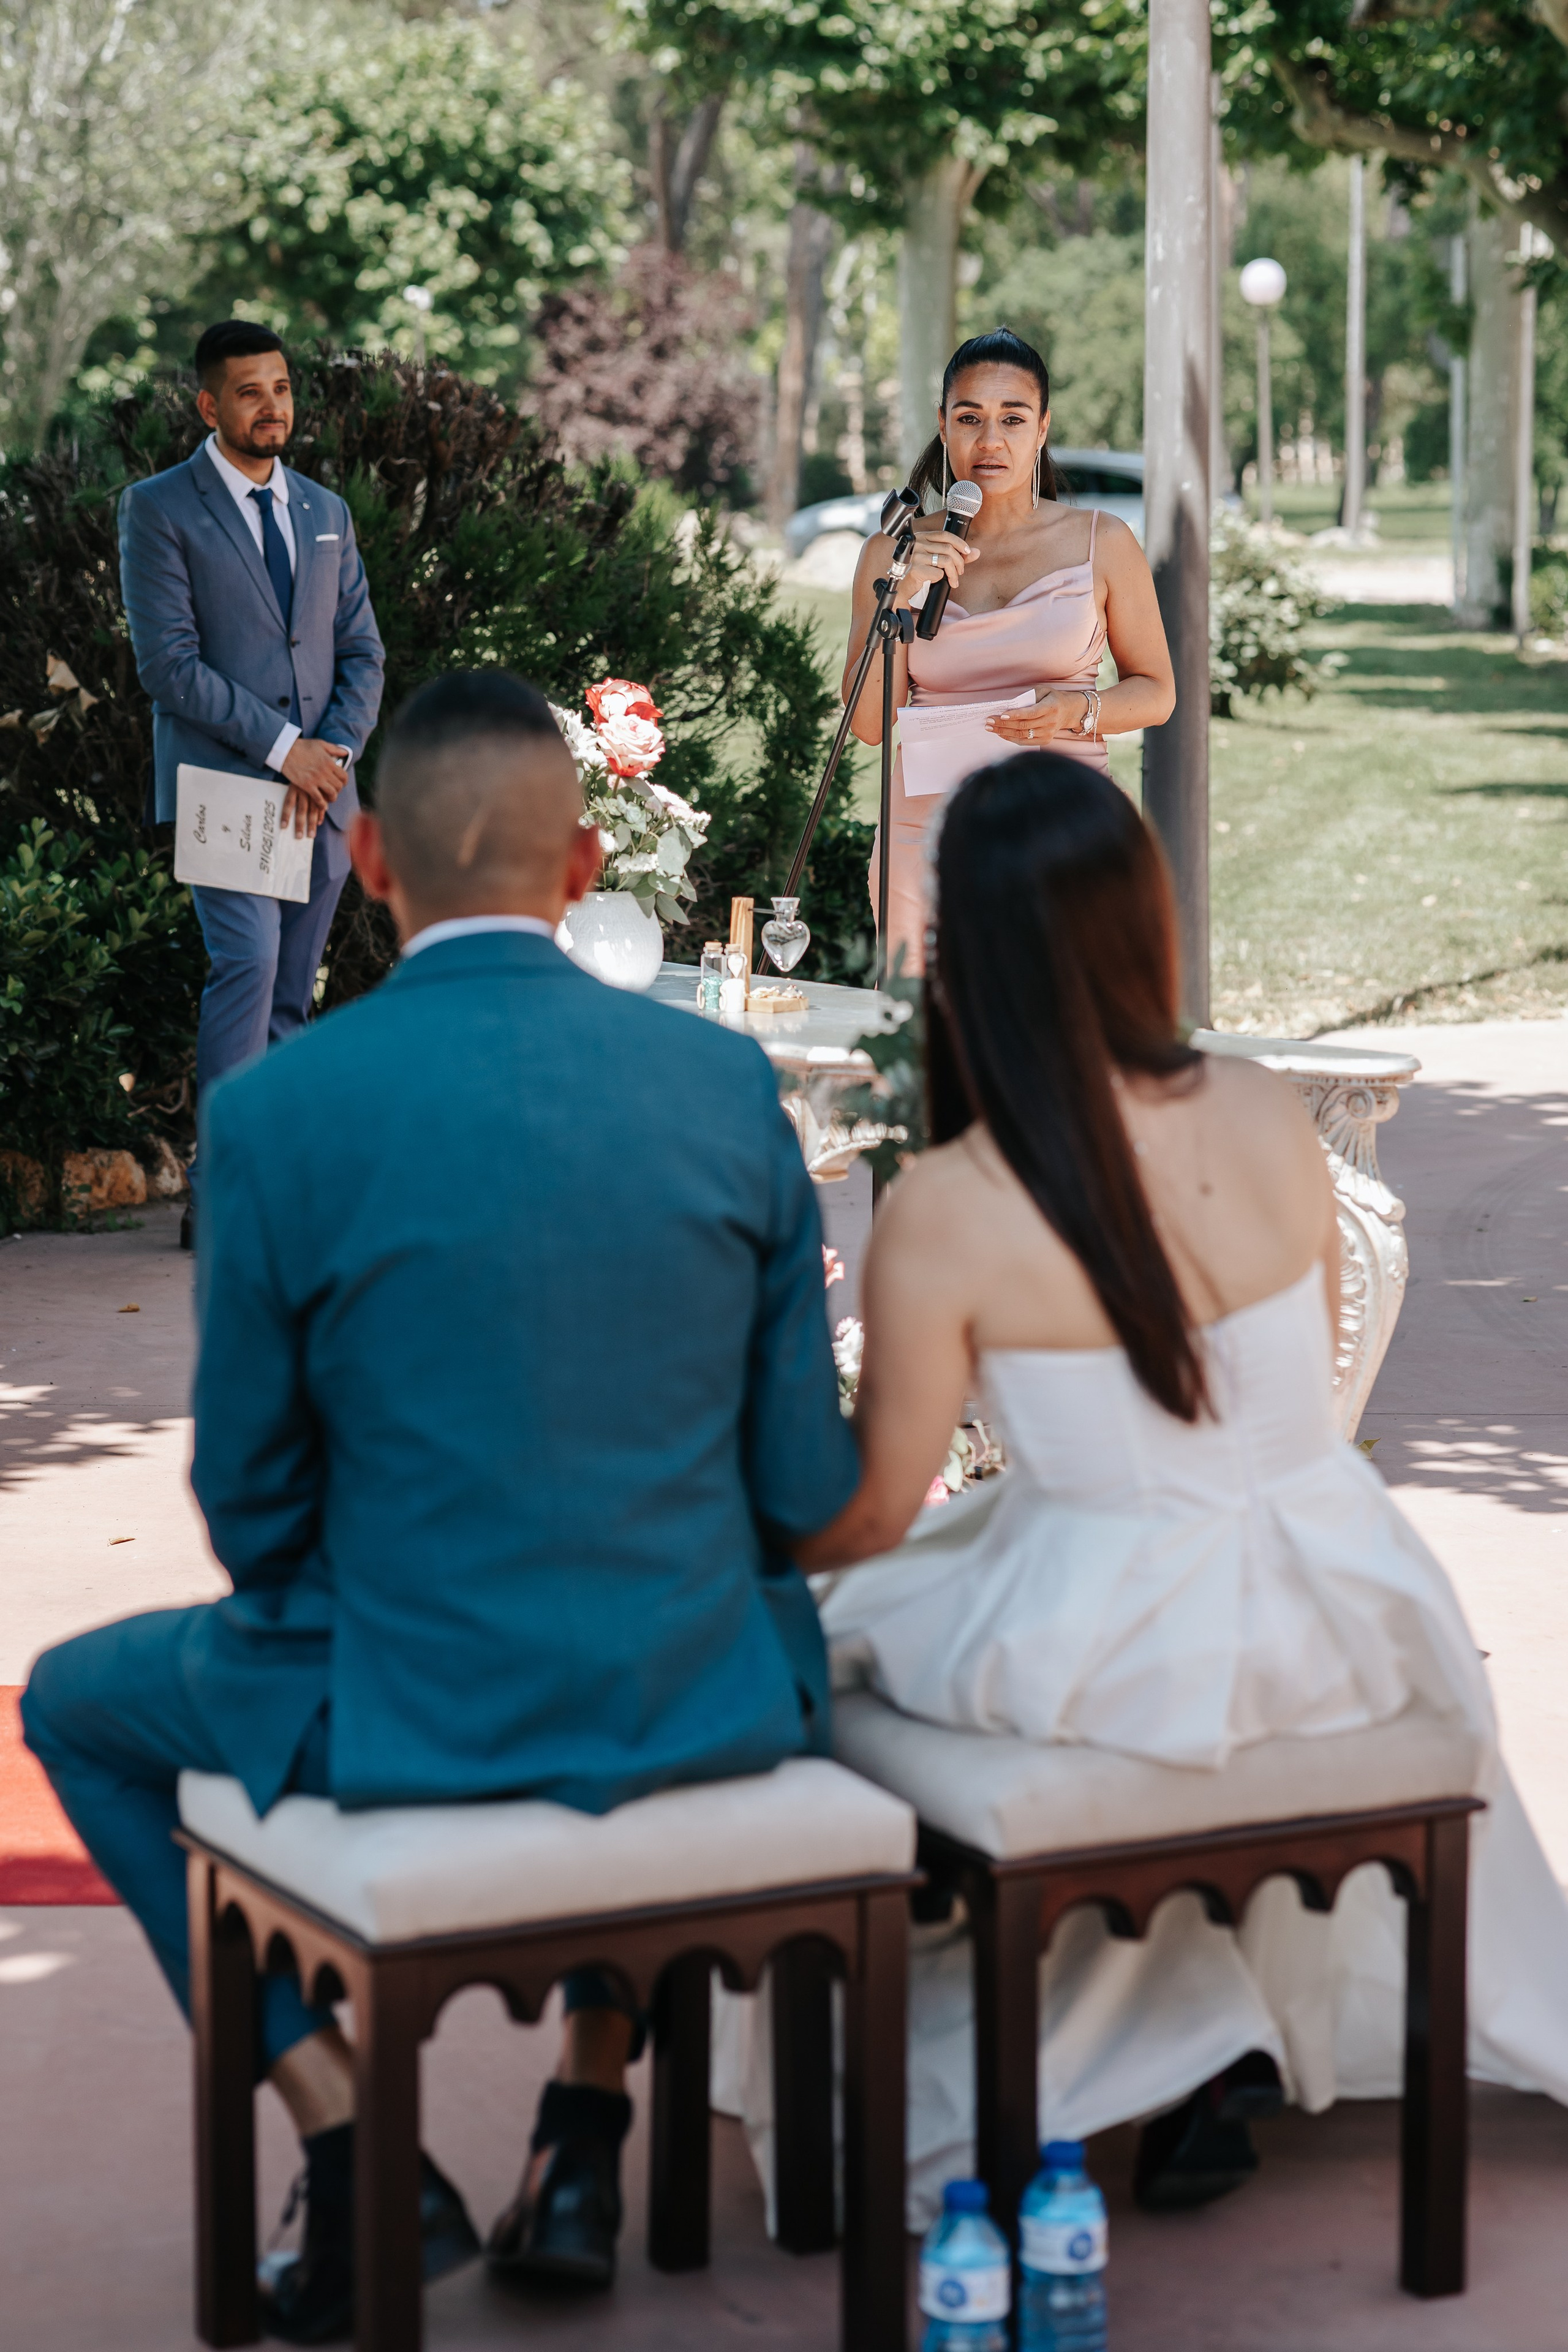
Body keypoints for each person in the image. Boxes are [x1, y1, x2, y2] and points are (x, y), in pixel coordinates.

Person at [22, 671, 857, 2340]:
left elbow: (251, 1501)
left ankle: (352, 2144)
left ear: (377, 866)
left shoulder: (273, 1111)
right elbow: (797, 1489)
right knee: (659, 1646)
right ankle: (588, 2118)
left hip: (400, 1687)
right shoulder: (725, 1094)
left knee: (72, 1706)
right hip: (701, 1687)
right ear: (586, 865)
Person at [799, 752, 1568, 2220]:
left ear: (963, 952)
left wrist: (756, 1542)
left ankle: (1161, 2021)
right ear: (1144, 928)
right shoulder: (1268, 1108)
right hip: (1349, 1594)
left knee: (819, 1647)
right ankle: (1216, 2025)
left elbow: (874, 1506)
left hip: (1115, 1621)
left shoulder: (953, 1198)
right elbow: (1303, 1373)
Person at [118, 320, 385, 1245]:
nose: (272, 407)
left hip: (324, 800)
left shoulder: (325, 512)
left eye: (280, 388)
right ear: (208, 404)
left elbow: (363, 653)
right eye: (248, 392)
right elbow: (170, 665)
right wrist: (285, 750)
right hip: (230, 793)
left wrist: (333, 755)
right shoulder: (158, 509)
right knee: (248, 967)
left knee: (290, 993)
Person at [841, 326, 1175, 978]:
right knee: (932, 1046)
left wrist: (1075, 710)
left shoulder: (1102, 542)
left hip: (1065, 826)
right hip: (926, 837)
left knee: (1064, 1036)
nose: (989, 440)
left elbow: (1156, 691)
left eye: (1012, 418)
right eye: (969, 418)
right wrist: (902, 595)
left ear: (1042, 428)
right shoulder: (891, 554)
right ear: (943, 426)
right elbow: (866, 725)